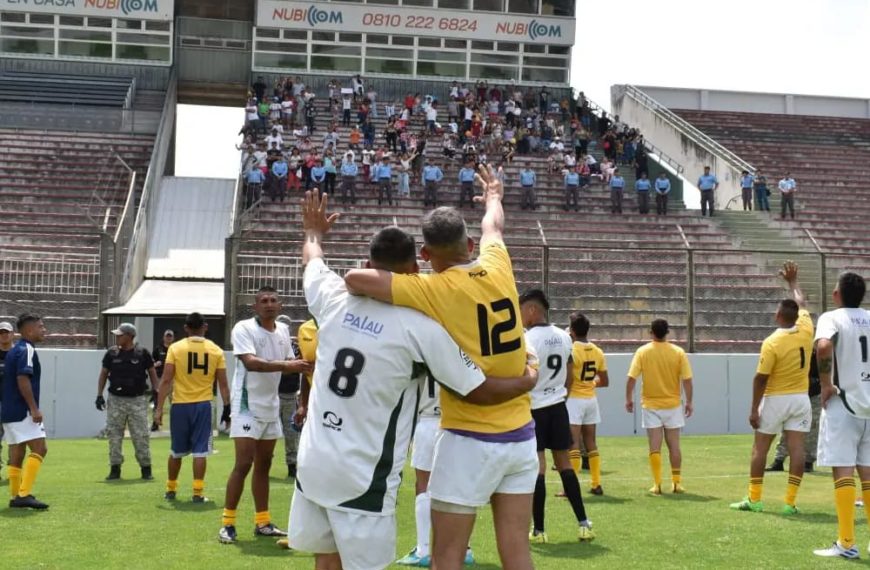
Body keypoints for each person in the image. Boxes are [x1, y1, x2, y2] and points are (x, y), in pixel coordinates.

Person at [291, 191, 536, 570]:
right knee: (501, 549)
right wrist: (527, 379)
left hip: (315, 462)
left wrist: (312, 231)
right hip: (365, 475)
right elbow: (479, 388)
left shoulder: (331, 296)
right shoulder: (422, 326)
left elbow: (314, 260)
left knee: (326, 559)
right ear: (412, 266)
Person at [218, 287, 313, 544]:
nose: (269, 304)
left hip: (271, 406)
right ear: (255, 306)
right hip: (247, 405)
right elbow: (251, 363)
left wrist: (311, 362)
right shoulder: (244, 328)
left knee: (264, 464)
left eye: (273, 300)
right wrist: (289, 365)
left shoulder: (282, 331)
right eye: (264, 301)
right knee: (244, 463)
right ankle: (227, 523)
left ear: (280, 306)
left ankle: (263, 522)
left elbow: (294, 366)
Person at [730, 262, 813, 515]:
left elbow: (760, 378)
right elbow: (802, 302)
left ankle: (755, 499)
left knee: (760, 448)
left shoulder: (772, 342)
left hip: (776, 398)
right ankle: (790, 503)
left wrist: (754, 409)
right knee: (797, 450)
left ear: (778, 316)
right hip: (801, 398)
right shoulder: (807, 328)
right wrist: (793, 283)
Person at [520, 289, 594, 544]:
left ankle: (539, 531)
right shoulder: (565, 337)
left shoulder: (527, 339)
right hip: (558, 406)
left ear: (531, 310)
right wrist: (561, 397)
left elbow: (524, 374)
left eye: (521, 311)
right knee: (564, 464)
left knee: (539, 468)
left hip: (535, 409)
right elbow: (570, 374)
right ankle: (584, 524)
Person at [812, 272, 870, 559]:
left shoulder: (830, 318)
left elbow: (823, 346)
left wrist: (825, 385)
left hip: (844, 402)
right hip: (869, 403)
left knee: (843, 470)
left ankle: (847, 543)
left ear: (837, 294)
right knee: (868, 474)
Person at [154, 312, 230, 504]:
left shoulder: (175, 348)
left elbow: (166, 380)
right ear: (205, 327)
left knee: (176, 451)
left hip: (180, 405)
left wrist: (158, 409)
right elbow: (223, 384)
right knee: (200, 451)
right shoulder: (216, 350)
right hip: (203, 405)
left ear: (186, 328)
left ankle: (170, 489)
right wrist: (227, 408)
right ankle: (197, 493)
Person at [625, 319, 693, 495]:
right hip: (673, 404)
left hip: (651, 405)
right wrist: (690, 401)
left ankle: (657, 484)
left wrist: (628, 398)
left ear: (651, 332)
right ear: (667, 332)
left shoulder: (643, 351)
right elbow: (687, 380)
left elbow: (631, 378)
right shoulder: (678, 352)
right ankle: (677, 483)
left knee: (654, 447)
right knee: (674, 446)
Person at [96, 323, 159, 481]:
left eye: (120, 334)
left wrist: (156, 392)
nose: (117, 337)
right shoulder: (111, 353)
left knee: (141, 435)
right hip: (116, 400)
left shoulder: (142, 353)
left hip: (137, 400)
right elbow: (104, 374)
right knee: (114, 435)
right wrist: (99, 395)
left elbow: (152, 373)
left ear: (130, 336)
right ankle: (115, 469)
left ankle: (146, 469)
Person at [2, 314, 48, 510]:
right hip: (22, 410)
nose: (43, 330)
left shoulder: (13, 351)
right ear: (30, 330)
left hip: (8, 410)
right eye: (41, 326)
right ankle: (24, 494)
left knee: (17, 452)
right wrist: (34, 408)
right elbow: (23, 378)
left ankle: (15, 496)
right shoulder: (26, 349)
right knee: (40, 448)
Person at [567, 312, 609, 495]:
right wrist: (591, 383)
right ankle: (596, 483)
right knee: (591, 442)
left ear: (572, 331)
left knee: (573, 443)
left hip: (574, 400)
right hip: (591, 400)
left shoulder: (571, 350)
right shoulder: (597, 351)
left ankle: (571, 488)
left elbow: (567, 379)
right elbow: (605, 381)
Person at [766, 347, 821, 472]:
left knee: (812, 428)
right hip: (796, 393)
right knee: (788, 426)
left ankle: (808, 461)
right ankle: (779, 460)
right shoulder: (794, 350)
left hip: (814, 393)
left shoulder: (817, 352)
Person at [275, 315, 302, 479]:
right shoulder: (272, 344)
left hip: (290, 394)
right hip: (272, 393)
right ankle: (265, 463)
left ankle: (292, 465)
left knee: (291, 432)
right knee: (267, 432)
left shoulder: (297, 347)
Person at [150, 329, 174, 432]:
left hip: (173, 378)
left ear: (173, 338)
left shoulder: (175, 349)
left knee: (174, 402)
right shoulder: (158, 349)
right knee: (157, 401)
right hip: (160, 377)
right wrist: (156, 364)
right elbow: (151, 363)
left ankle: (175, 424)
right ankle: (156, 423)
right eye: (167, 336)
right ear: (164, 337)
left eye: (170, 336)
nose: (168, 338)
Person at [0, 321, 14, 476]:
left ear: (12, 334)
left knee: (14, 438)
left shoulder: (18, 354)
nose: (3, 335)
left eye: (6, 332)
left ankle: (13, 469)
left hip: (13, 403)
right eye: (1, 332)